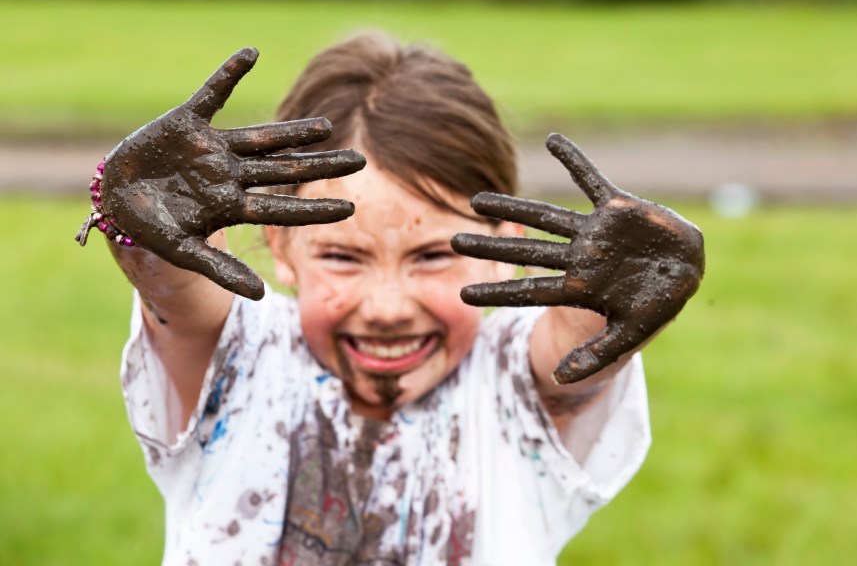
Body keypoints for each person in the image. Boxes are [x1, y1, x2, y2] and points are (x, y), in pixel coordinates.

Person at [82, 31, 705, 565]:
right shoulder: (239, 359)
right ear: (280, 244)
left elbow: (580, 347)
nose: (386, 307)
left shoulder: (516, 391)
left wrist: (627, 292)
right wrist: (139, 227)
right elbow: (176, 294)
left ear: (508, 248)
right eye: (342, 256)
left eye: (432, 255)